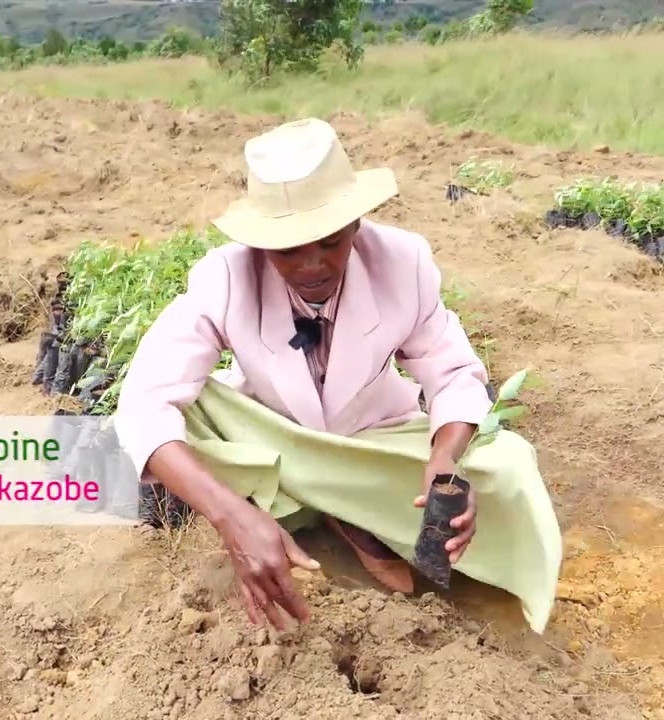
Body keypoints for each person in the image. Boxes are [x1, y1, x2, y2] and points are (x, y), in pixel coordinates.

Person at [112, 118, 562, 636]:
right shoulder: (225, 278)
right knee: (185, 411)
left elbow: (454, 371)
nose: (311, 265)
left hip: (369, 439)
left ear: (355, 223)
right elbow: (144, 400)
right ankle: (300, 509)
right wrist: (228, 517)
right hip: (270, 439)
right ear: (260, 245)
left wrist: (444, 460)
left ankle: (338, 510)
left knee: (509, 467)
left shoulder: (402, 262)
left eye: (328, 241)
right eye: (287, 250)